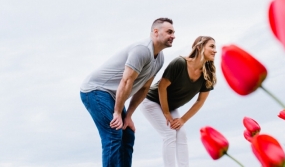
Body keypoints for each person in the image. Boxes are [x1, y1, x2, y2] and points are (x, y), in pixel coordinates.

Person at [80, 18, 175, 167]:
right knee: (114, 132)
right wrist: (117, 113)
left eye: (173, 32)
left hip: (113, 96)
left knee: (128, 134)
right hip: (95, 90)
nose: (173, 35)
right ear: (156, 32)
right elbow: (126, 82)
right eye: (169, 32)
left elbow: (144, 88)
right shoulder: (142, 50)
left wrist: (128, 116)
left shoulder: (159, 59)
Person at [140, 36, 217, 167]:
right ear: (199, 47)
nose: (215, 50)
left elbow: (199, 102)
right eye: (212, 46)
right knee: (169, 133)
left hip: (170, 107)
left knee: (181, 134)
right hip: (151, 101)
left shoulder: (207, 75)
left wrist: (182, 120)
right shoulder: (180, 63)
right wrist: (166, 114)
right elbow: (162, 86)